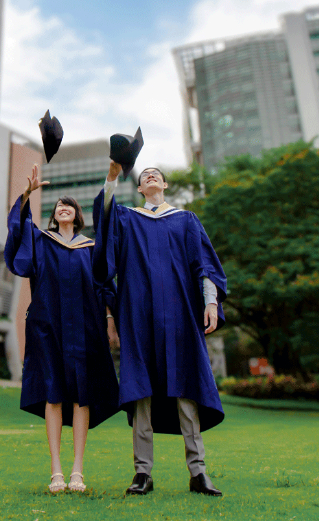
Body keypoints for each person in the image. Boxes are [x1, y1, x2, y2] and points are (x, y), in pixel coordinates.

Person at [93, 163, 227, 497]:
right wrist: (112, 177)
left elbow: (205, 264)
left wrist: (211, 302)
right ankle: (142, 473)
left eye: (156, 174)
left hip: (180, 315)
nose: (150, 176)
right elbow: (104, 224)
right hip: (138, 316)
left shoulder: (186, 220)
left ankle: (198, 472)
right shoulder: (126, 218)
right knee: (140, 392)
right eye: (144, 176)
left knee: (187, 390)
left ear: (165, 185)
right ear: (139, 189)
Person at [4, 164, 119, 493]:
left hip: (85, 329)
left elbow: (106, 284)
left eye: (68, 204)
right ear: (54, 216)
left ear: (77, 215)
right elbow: (18, 231)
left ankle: (77, 470)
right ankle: (56, 470)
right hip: (48, 326)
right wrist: (26, 195)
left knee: (82, 396)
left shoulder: (91, 248)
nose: (62, 207)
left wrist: (112, 323)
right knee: (53, 394)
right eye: (58, 205)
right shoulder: (41, 242)